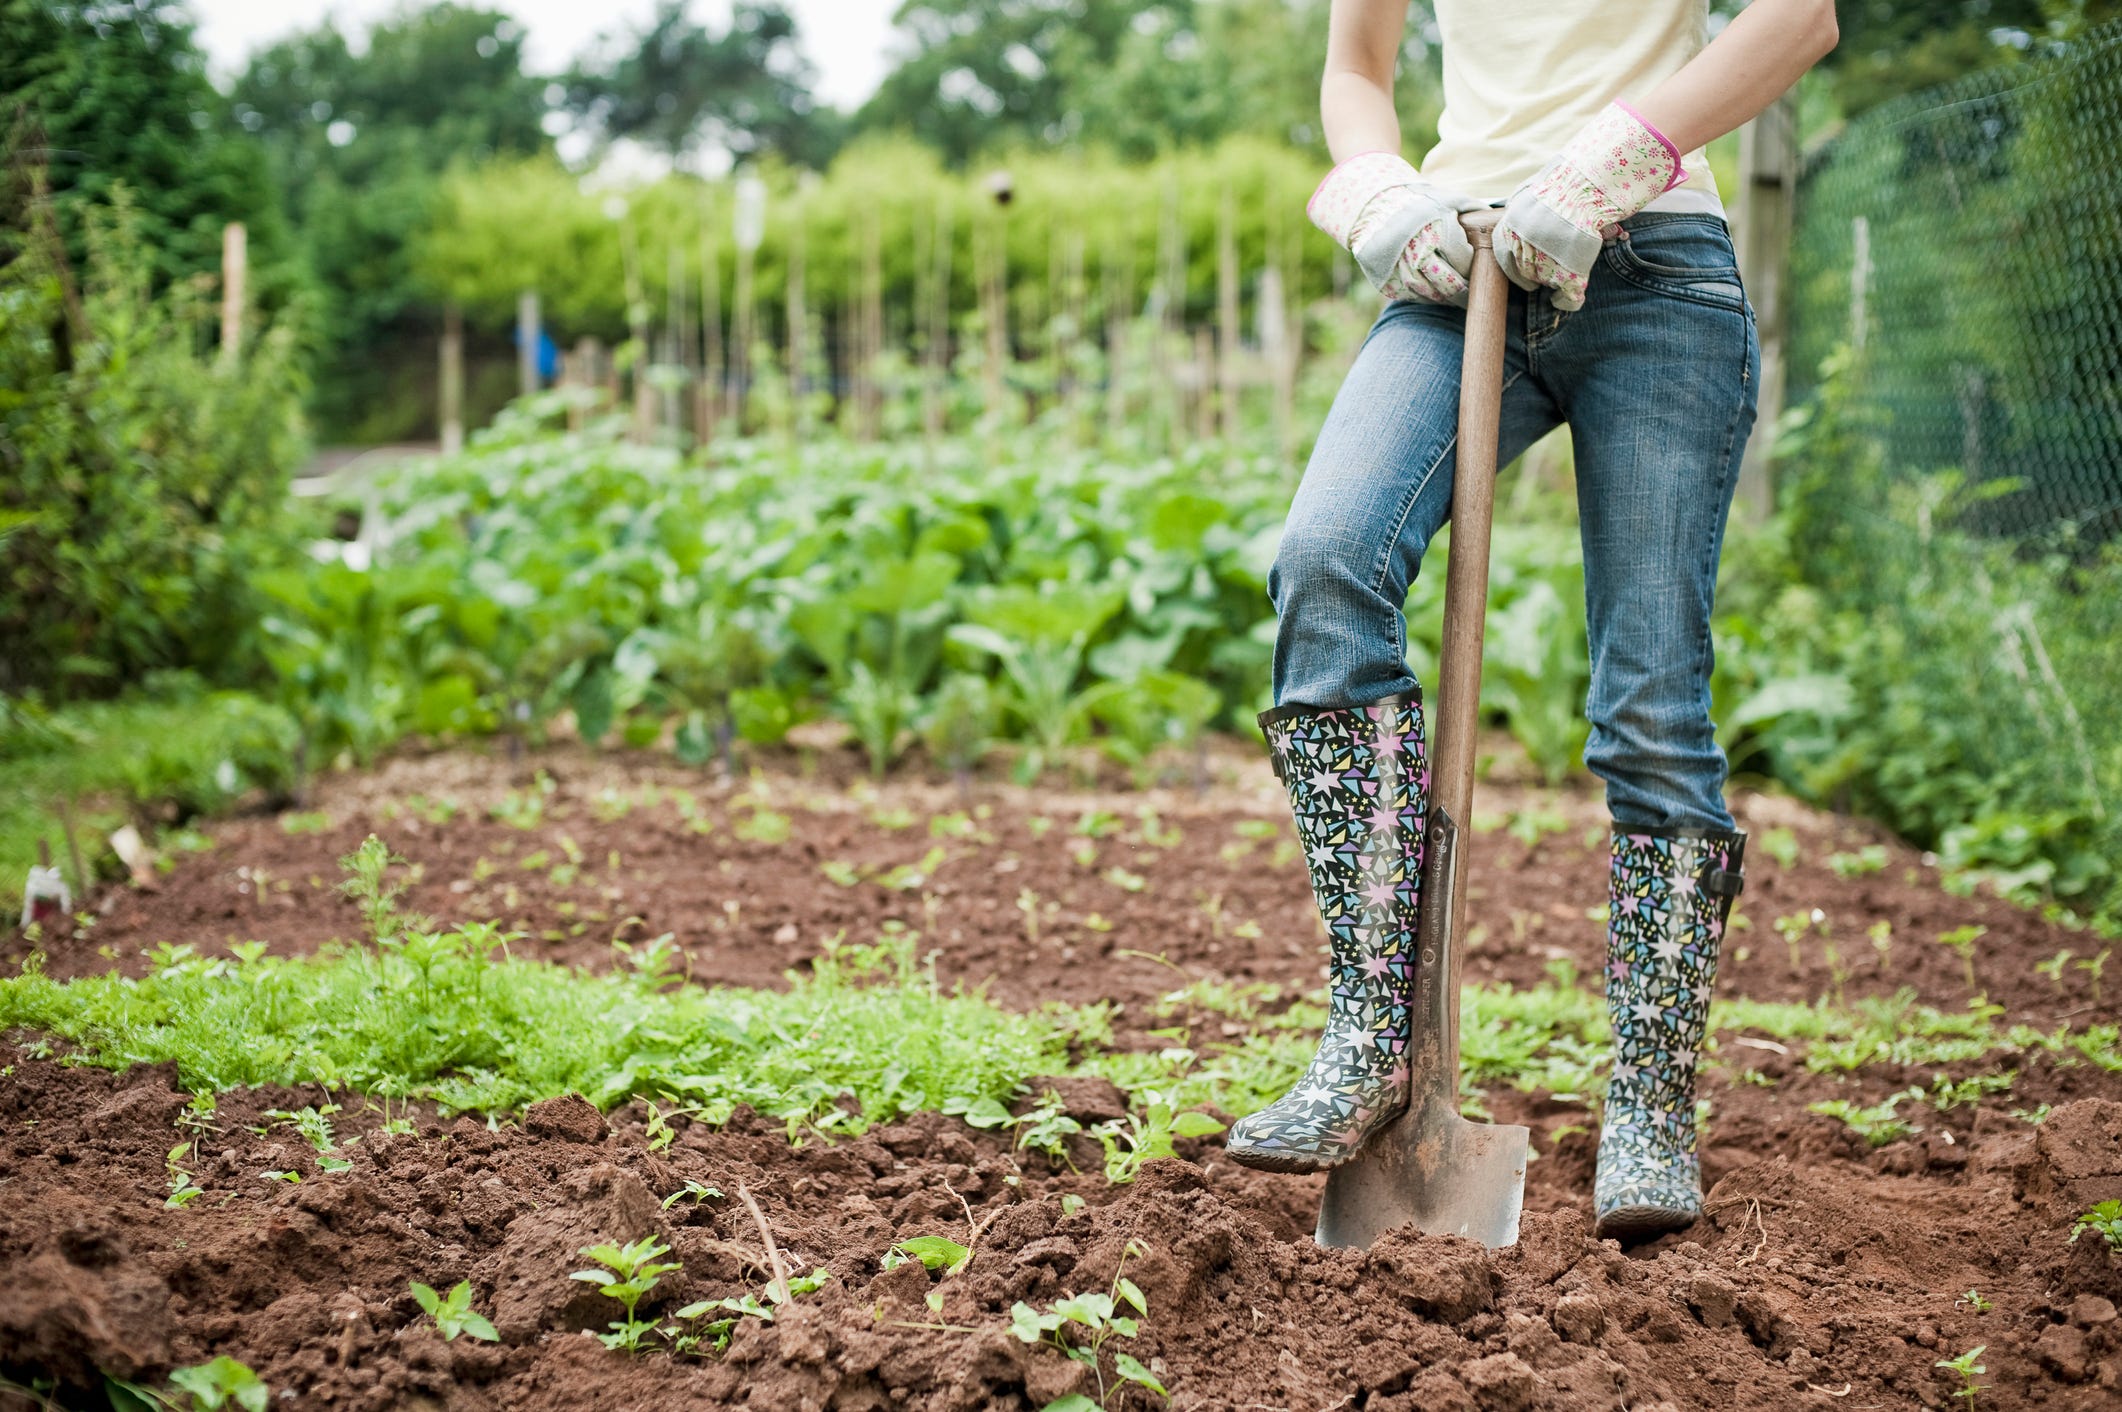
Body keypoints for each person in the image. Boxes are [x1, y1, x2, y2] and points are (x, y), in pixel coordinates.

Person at [1222, 0, 1840, 1243]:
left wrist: (1616, 162)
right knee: (1327, 559)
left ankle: (1652, 1099)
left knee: (1648, 693)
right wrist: (1382, 192)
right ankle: (1373, 1039)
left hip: (1653, 266)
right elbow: (1357, 63)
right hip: (1458, 264)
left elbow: (1798, 19)